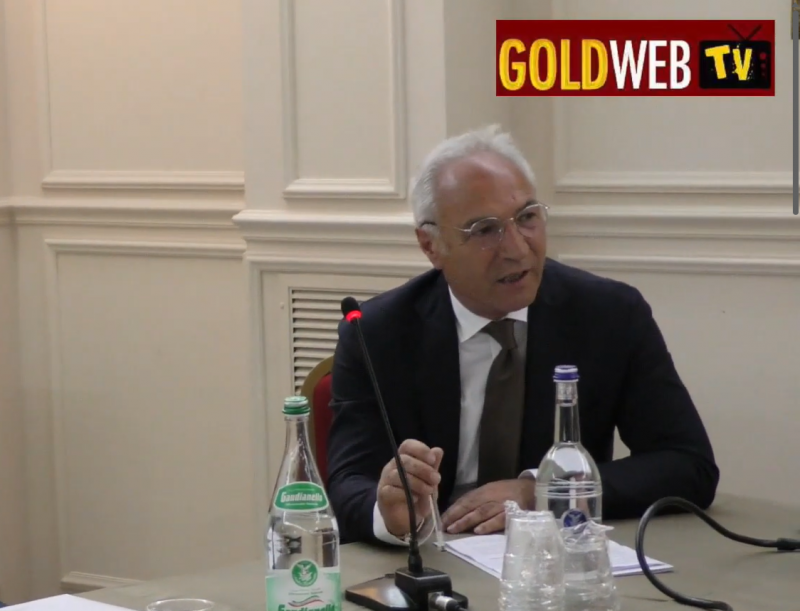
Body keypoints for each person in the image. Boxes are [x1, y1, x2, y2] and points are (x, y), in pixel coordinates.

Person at [325, 125, 719, 546]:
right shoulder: (376, 332)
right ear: (431, 245)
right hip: (434, 555)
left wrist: (541, 491)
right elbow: (349, 483)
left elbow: (687, 464)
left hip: (557, 556)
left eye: (527, 217)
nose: (516, 248)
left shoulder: (610, 315)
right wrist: (390, 513)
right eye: (484, 230)